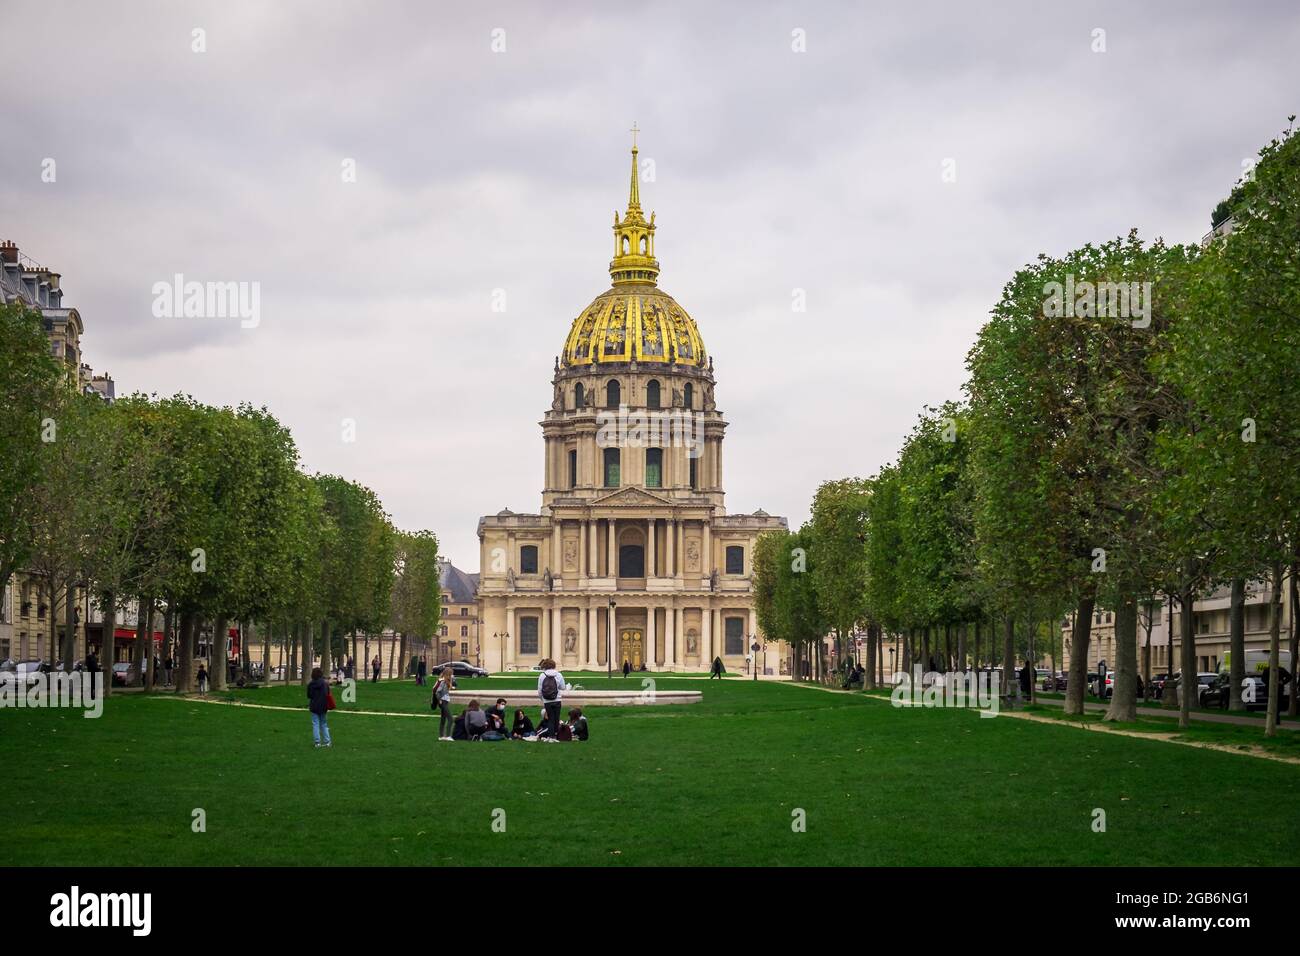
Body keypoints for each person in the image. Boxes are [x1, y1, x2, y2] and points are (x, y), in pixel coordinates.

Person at [536, 658, 565, 738]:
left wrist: (543, 699)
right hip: (557, 699)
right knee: (556, 718)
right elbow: (563, 687)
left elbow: (539, 690)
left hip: (547, 700)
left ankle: (551, 736)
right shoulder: (558, 675)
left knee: (550, 719)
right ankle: (556, 735)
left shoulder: (542, 675)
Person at [307, 666, 332, 748]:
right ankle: (327, 741)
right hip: (323, 706)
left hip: (314, 706)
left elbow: (309, 695)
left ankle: (317, 742)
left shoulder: (311, 684)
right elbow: (328, 694)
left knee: (315, 724)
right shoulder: (325, 684)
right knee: (324, 724)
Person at [432, 666, 454, 741]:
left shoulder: (446, 681)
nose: (451, 676)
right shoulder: (443, 682)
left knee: (443, 719)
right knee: (451, 719)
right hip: (443, 702)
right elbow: (438, 692)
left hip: (445, 701)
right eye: (450, 674)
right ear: (447, 674)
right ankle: (448, 736)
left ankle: (441, 736)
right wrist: (439, 700)